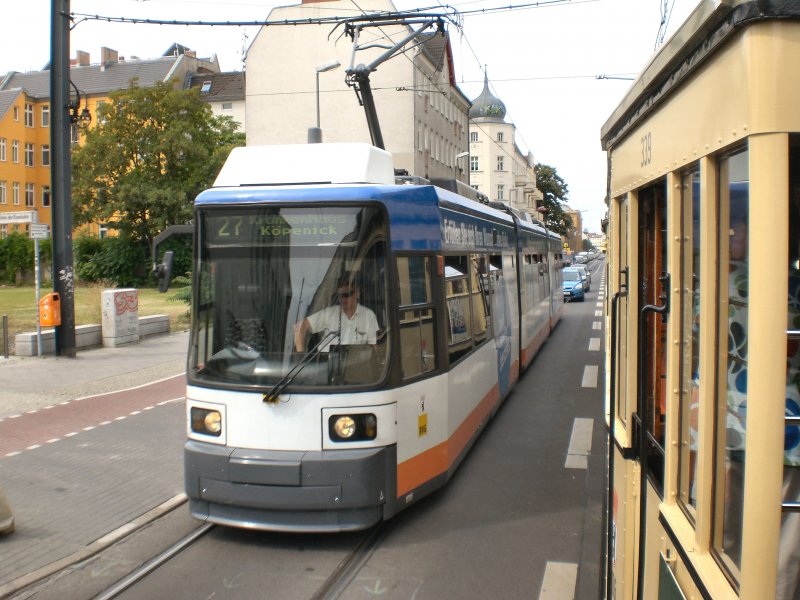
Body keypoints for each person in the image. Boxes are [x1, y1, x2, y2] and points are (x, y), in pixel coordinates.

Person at [293, 280, 379, 353]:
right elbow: (300, 327)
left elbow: (373, 346)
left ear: (357, 294)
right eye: (340, 296)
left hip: (356, 367)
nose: (343, 299)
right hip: (326, 366)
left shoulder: (369, 316)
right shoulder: (329, 313)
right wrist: (300, 357)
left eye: (347, 295)